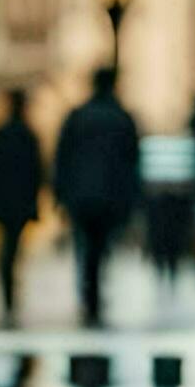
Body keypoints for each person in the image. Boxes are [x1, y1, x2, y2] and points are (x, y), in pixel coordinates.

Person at [54, 67, 139, 326]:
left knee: (86, 246)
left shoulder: (78, 117)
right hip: (109, 196)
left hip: (81, 195)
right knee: (100, 247)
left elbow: (63, 157)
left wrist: (61, 193)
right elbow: (131, 162)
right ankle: (94, 293)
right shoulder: (121, 118)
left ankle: (88, 293)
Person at [0, 88, 43, 322]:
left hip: (4, 201)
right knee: (12, 246)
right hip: (19, 202)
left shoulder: (4, 134)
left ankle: (8, 286)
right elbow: (37, 172)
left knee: (7, 247)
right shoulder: (27, 135)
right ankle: (9, 286)